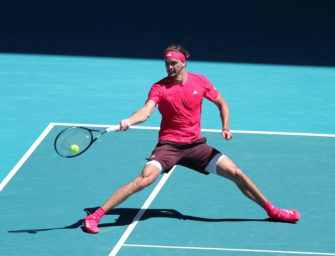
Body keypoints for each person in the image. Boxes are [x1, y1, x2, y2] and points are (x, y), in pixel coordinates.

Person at [83, 45, 300, 234]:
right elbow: (146, 111)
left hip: (196, 146)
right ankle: (95, 216)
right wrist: (129, 120)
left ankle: (274, 211)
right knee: (144, 180)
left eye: (174, 63)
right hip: (169, 146)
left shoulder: (200, 81)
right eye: (167, 63)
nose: (169, 67)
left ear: (183, 63)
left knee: (237, 173)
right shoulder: (159, 87)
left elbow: (222, 103)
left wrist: (225, 127)